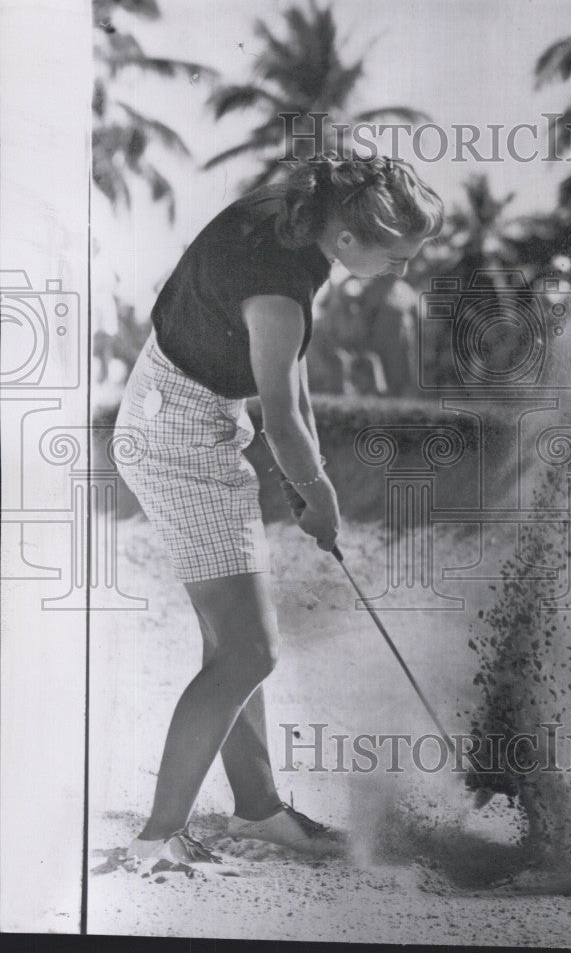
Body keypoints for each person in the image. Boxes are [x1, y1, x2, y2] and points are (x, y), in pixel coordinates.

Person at [114, 153, 443, 869]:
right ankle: (155, 839)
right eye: (397, 257)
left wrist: (309, 484)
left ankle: (258, 809)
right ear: (354, 239)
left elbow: (290, 383)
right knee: (249, 651)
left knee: (231, 644)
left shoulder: (298, 228)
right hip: (178, 434)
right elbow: (283, 416)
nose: (400, 273)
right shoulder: (280, 284)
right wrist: (318, 492)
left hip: (179, 413)